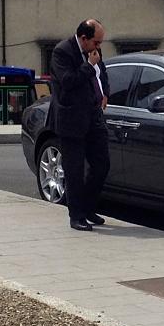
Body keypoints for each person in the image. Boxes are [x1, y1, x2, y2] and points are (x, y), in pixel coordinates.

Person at [49, 19, 110, 231]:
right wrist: (88, 66)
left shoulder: (94, 53)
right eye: (96, 42)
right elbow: (68, 81)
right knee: (74, 170)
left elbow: (102, 74)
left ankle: (88, 206)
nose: (98, 47)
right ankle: (76, 215)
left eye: (100, 43)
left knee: (102, 165)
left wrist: (105, 93)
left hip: (93, 115)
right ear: (83, 39)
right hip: (71, 119)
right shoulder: (62, 52)